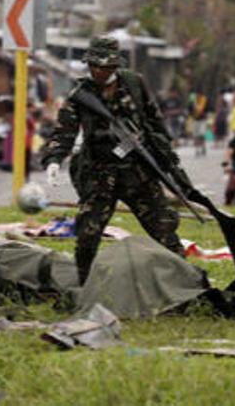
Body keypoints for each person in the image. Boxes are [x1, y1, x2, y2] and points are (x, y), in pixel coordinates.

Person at [42, 37, 194, 284]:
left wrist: (161, 149)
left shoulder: (134, 84)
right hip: (100, 173)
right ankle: (84, 285)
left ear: (115, 66)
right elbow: (64, 131)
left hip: (138, 171)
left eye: (104, 67)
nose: (98, 71)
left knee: (163, 226)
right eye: (94, 66)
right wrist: (54, 160)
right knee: (87, 233)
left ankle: (186, 280)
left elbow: (154, 119)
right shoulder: (80, 95)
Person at [188, 91, 209, 156]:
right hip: (195, 120)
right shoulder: (192, 102)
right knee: (196, 135)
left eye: (199, 94)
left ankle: (203, 147)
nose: (198, 96)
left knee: (201, 134)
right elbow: (189, 109)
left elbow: (208, 109)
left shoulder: (205, 100)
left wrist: (205, 114)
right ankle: (197, 150)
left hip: (202, 120)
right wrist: (192, 113)